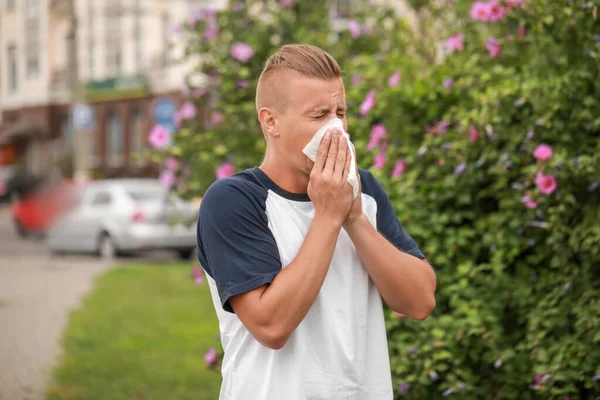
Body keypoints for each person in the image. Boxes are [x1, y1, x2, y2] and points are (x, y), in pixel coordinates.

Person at [197, 44, 437, 400]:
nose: (336, 128)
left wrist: (353, 217)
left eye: (341, 112)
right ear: (270, 121)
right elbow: (272, 325)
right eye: (319, 115)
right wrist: (328, 215)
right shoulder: (234, 201)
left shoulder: (363, 190)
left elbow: (419, 302)